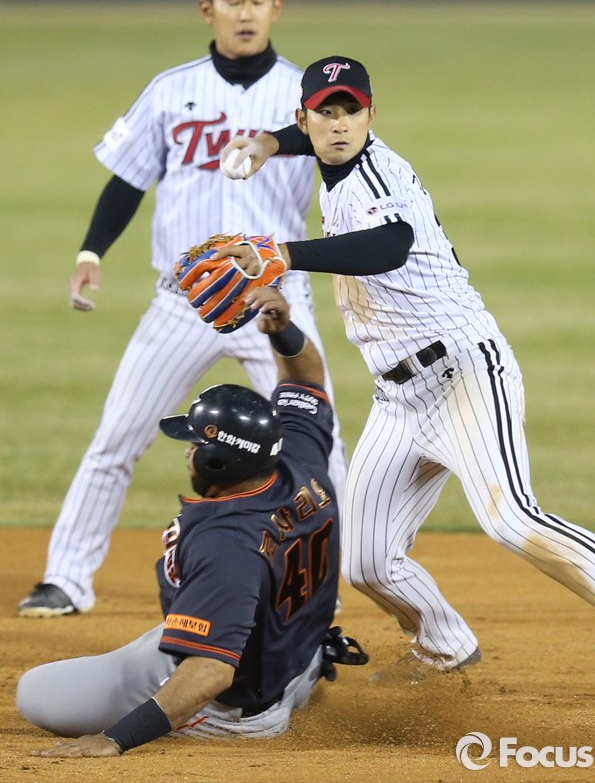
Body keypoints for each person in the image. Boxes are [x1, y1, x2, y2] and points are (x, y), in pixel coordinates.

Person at [212, 55, 595, 692]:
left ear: (371, 115)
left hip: (464, 372)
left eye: (351, 111)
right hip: (397, 400)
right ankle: (445, 649)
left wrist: (282, 253)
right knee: (366, 562)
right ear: (305, 118)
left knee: (511, 519)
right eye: (325, 113)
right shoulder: (327, 151)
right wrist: (268, 143)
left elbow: (388, 245)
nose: (339, 124)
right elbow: (310, 139)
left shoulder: (380, 175)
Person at [18, 0, 347, 618]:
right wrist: (91, 251)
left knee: (322, 447)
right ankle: (67, 578)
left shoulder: (306, 98)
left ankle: (327, 588)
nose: (245, 12)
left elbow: (346, 170)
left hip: (275, 305)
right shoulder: (170, 90)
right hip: (182, 304)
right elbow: (127, 179)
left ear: (276, 7)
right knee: (117, 438)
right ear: (207, 9)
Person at [17, 287, 367, 756]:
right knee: (193, 625)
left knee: (35, 693)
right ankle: (303, 672)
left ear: (219, 462)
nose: (188, 452)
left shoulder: (226, 541)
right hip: (295, 657)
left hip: (233, 702)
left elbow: (211, 671)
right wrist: (284, 332)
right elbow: (306, 379)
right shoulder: (298, 457)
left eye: (196, 443)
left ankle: (229, 722)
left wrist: (114, 738)